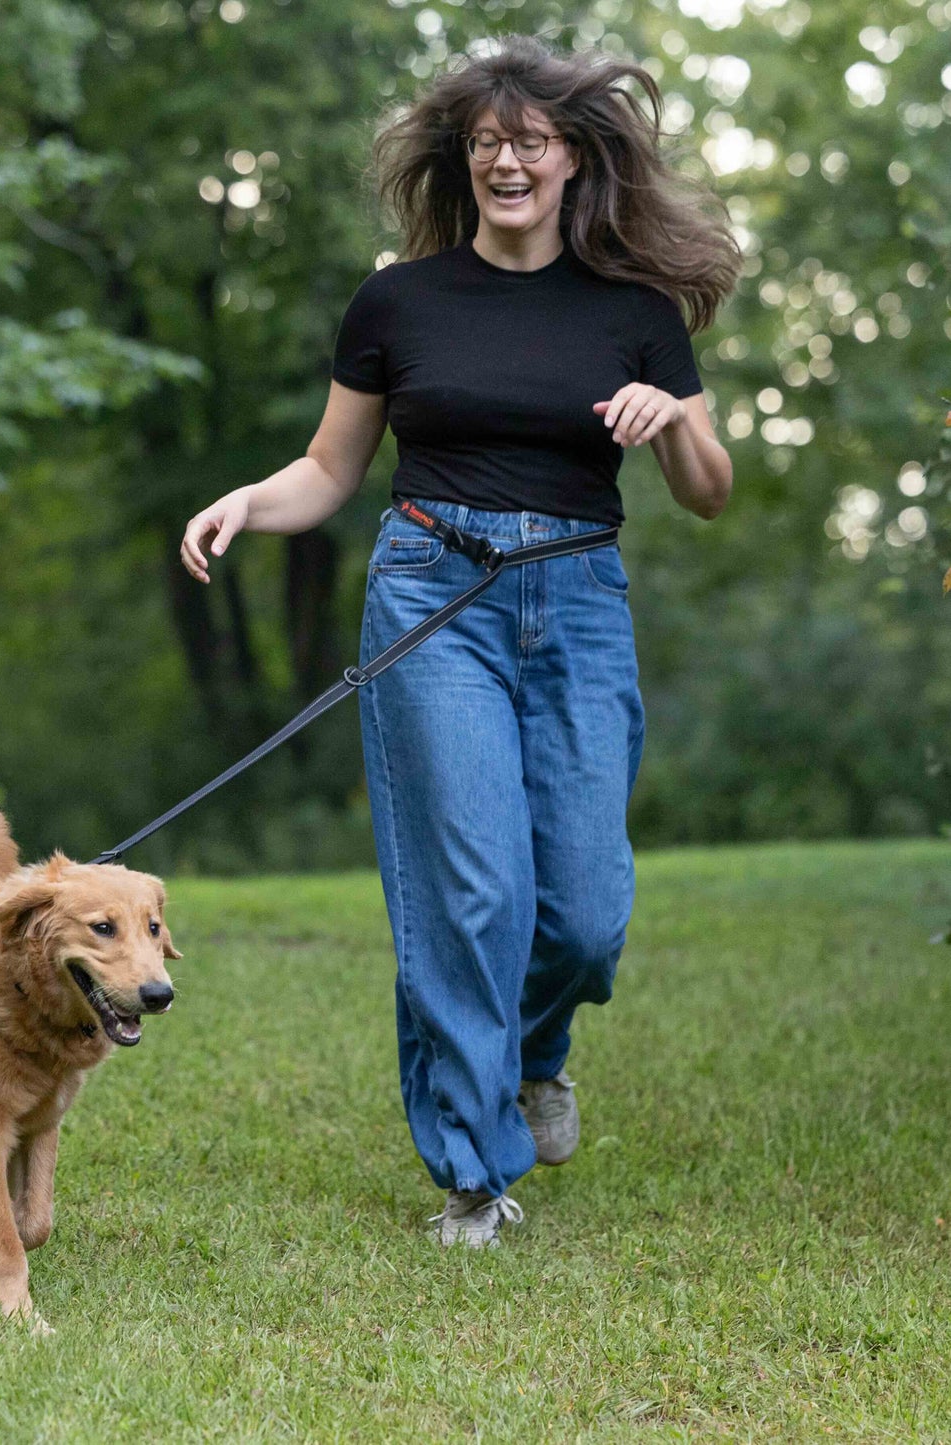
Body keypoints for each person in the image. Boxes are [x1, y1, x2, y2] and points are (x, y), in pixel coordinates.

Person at [179, 34, 740, 1246]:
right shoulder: (399, 300)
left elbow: (707, 489)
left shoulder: (635, 316)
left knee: (584, 909)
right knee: (469, 891)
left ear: (575, 158)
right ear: (462, 158)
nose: (505, 161)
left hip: (577, 599)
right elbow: (329, 470)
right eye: (485, 141)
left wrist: (670, 425)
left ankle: (536, 1054)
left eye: (528, 141)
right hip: (434, 595)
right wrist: (242, 501)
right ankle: (474, 1173)